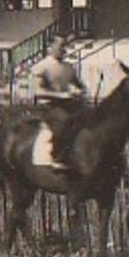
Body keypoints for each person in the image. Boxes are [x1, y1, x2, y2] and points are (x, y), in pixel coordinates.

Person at [29, 32, 87, 171]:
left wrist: (80, 91)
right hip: (49, 107)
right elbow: (38, 91)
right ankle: (57, 157)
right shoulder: (41, 67)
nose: (64, 49)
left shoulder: (68, 67)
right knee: (64, 122)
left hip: (68, 104)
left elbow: (80, 85)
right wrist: (61, 95)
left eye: (65, 46)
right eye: (60, 46)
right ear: (50, 47)